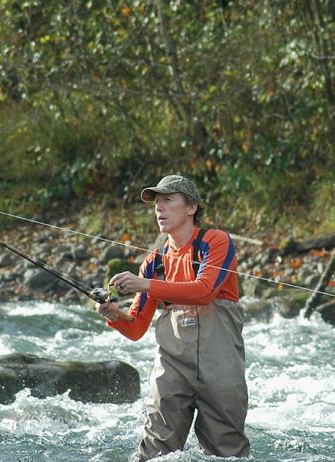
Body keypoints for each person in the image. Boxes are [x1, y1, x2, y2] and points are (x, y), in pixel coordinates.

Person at [95, 174, 250, 461]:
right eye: (156, 203)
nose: (159, 208)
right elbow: (137, 327)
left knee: (227, 453)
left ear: (191, 207)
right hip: (172, 366)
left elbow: (204, 292)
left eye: (168, 200)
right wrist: (115, 315)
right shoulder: (154, 262)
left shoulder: (216, 242)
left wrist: (144, 285)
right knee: (154, 453)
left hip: (220, 365)